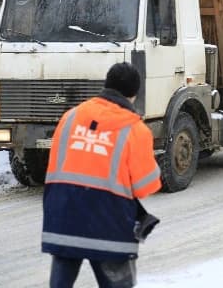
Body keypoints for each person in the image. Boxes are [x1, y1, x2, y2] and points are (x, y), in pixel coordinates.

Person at [42, 62, 162, 288]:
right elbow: (145, 186)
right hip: (109, 224)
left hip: (63, 219)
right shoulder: (135, 130)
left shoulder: (71, 116)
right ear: (133, 95)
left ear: (106, 85)